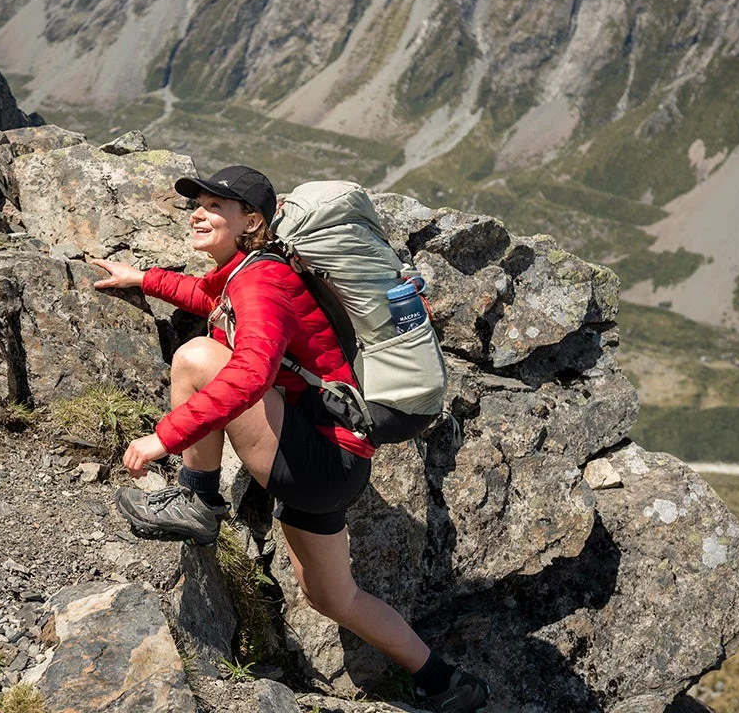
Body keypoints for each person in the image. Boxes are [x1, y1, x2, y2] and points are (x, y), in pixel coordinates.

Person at [90, 165, 490, 712]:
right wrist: (144, 279)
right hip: (338, 466)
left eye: (214, 207)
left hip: (320, 460)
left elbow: (251, 371)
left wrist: (166, 436)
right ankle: (444, 679)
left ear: (251, 220)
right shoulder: (254, 273)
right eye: (196, 204)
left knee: (198, 357)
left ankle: (198, 497)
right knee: (332, 596)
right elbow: (215, 306)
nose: (198, 214)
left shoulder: (261, 278)